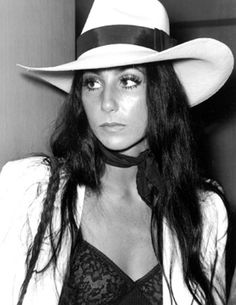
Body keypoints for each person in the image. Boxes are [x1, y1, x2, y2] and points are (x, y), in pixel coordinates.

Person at [0, 0, 234, 304]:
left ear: (161, 93)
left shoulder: (203, 212)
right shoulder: (31, 191)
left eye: (128, 80)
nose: (106, 102)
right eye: (93, 82)